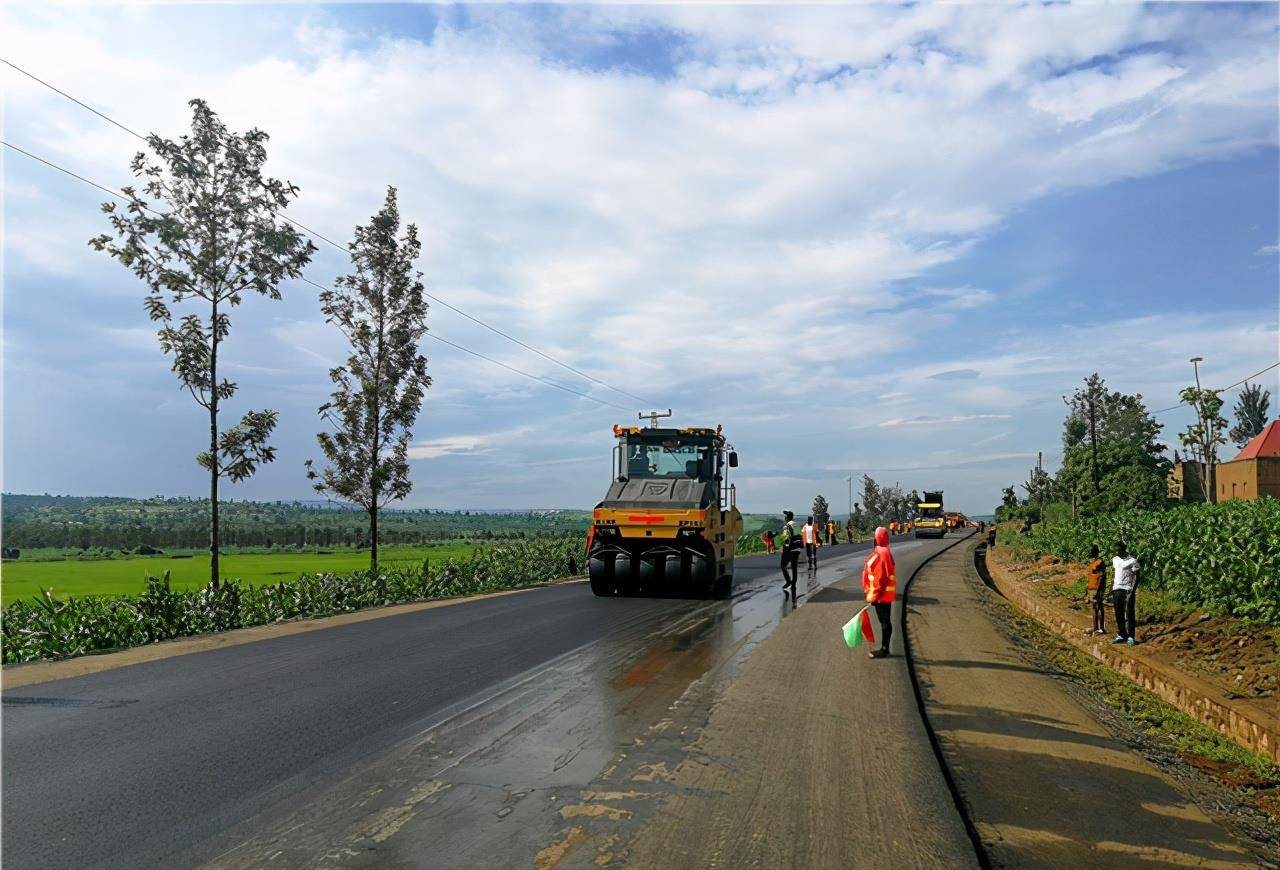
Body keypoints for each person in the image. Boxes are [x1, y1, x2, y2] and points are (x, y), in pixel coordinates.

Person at [862, 526, 897, 659]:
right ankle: (885, 648)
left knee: (884, 621)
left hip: (881, 596)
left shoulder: (882, 554)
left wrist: (873, 596)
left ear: (877, 538)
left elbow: (880, 578)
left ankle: (884, 649)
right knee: (885, 621)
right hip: (882, 595)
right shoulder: (883, 552)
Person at [1111, 541, 1139, 645]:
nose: (1117, 551)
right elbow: (1116, 573)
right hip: (1117, 589)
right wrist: (1112, 588)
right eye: (1115, 550)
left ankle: (1131, 636)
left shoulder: (1132, 560)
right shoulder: (1115, 559)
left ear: (1124, 549)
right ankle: (1122, 634)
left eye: (1119, 549)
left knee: (1129, 613)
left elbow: (1137, 576)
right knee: (1119, 613)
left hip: (1127, 589)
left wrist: (1132, 590)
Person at [1084, 544, 1106, 635]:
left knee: (1099, 607)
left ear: (1095, 551)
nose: (1089, 552)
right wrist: (1086, 592)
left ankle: (1101, 629)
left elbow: (1101, 577)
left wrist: (1097, 590)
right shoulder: (1093, 563)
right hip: (1092, 588)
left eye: (1091, 550)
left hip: (1097, 589)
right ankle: (1095, 628)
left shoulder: (1100, 563)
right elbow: (1091, 577)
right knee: (1094, 608)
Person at [779, 511, 800, 598]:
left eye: (785, 517)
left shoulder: (786, 526)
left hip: (789, 549)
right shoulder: (797, 525)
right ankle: (793, 585)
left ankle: (788, 581)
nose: (784, 518)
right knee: (794, 567)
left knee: (783, 565)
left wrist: (779, 540)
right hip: (797, 549)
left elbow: (784, 538)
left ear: (787, 518)